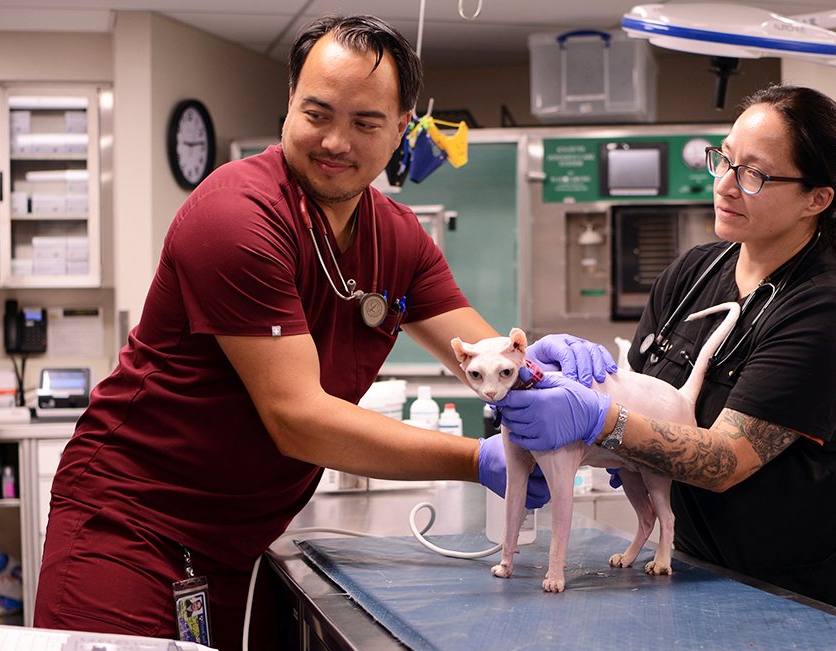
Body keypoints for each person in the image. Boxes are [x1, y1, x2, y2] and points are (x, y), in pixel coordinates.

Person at [33, 15, 581, 651]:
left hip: (240, 544)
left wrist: (564, 390)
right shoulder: (236, 215)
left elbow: (490, 358)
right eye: (317, 113)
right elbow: (297, 418)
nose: (336, 142)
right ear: (288, 103)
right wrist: (478, 459)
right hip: (130, 527)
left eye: (366, 123)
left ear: (403, 124)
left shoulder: (399, 238)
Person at [498, 85, 836, 629]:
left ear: (817, 198)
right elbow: (643, 399)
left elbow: (725, 462)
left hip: (817, 590)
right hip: (704, 567)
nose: (723, 184)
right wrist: (555, 391)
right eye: (724, 159)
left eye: (755, 175)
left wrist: (599, 419)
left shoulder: (828, 307)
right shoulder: (693, 273)